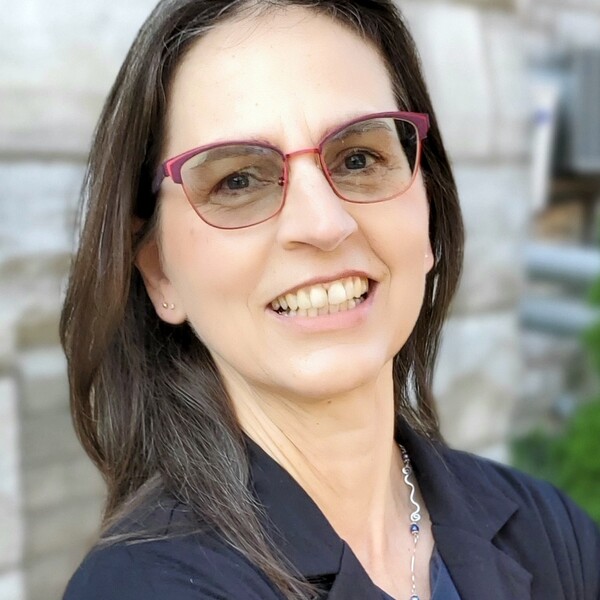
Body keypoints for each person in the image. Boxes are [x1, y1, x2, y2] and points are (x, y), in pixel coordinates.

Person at [60, 1, 600, 599]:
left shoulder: (551, 531)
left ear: (428, 215)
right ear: (160, 273)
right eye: (238, 179)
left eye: (360, 157)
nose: (323, 223)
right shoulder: (144, 589)